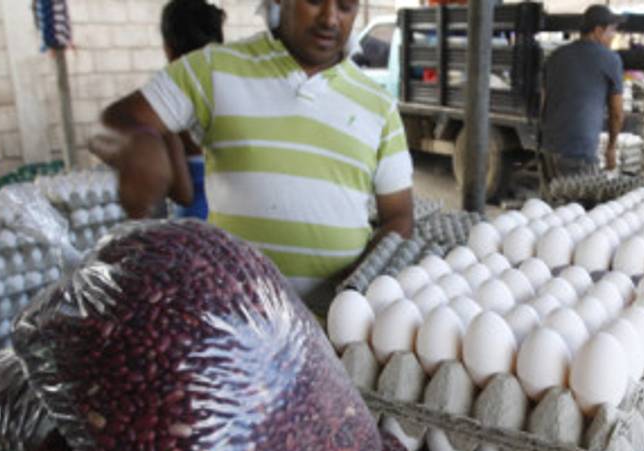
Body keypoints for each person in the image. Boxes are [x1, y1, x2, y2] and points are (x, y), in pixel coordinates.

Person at [94, 0, 414, 316]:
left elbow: (399, 216)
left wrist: (357, 283)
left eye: (345, 6)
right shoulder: (213, 69)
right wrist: (139, 144)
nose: (330, 19)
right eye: (315, 1)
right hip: (237, 322)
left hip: (331, 325)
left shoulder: (378, 105)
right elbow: (107, 125)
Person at [539, 5, 625, 183]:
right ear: (598, 31)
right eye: (612, 30)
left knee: (550, 199)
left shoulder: (555, 56)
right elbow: (616, 113)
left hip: (548, 149)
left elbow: (544, 101)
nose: (613, 36)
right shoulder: (611, 60)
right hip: (579, 152)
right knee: (579, 199)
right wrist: (611, 148)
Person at [159, 0, 225, 221]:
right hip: (241, 220)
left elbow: (183, 193)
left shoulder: (172, 105)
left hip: (197, 226)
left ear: (168, 49)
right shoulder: (239, 92)